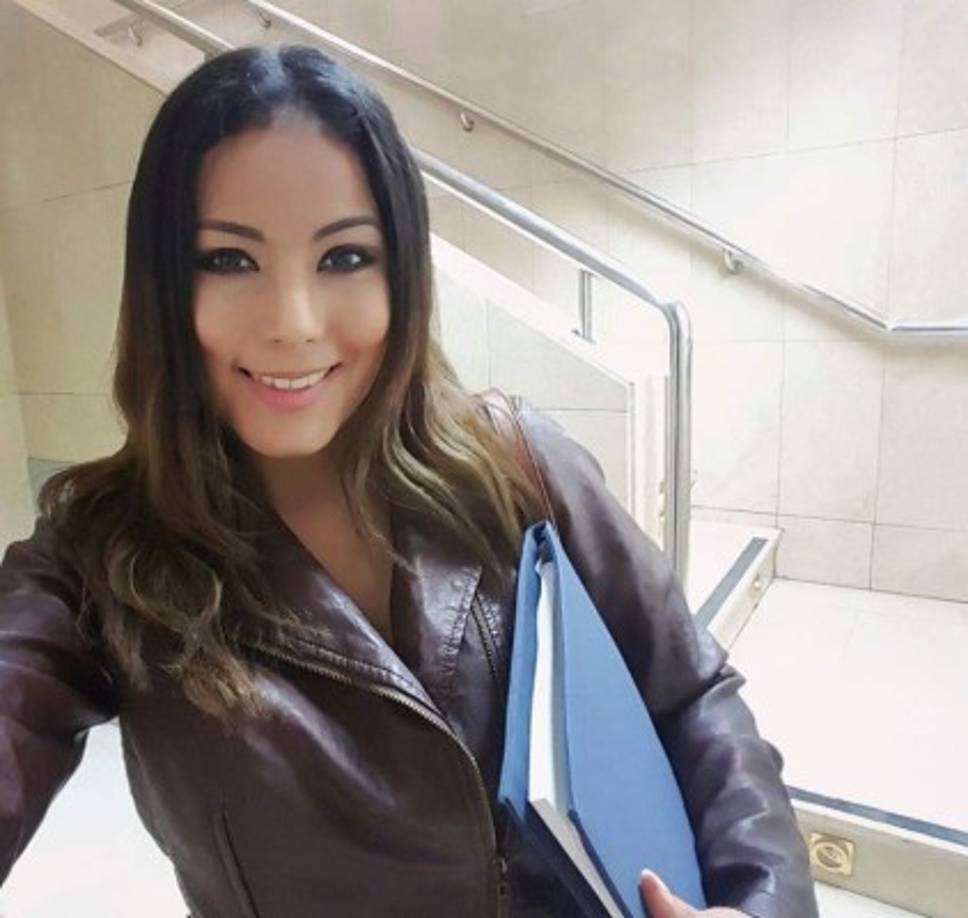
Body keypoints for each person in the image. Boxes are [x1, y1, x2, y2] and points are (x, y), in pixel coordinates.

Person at [0, 44, 818, 917]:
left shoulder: (514, 462)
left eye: (344, 258)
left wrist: (756, 903)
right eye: (230, 261)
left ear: (401, 272)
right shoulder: (102, 554)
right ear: (164, 284)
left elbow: (690, 697)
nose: (293, 323)